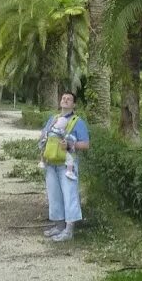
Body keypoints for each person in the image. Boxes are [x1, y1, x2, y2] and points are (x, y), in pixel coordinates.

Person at [38, 90, 90, 243]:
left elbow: (86, 144)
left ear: (74, 104)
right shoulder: (53, 119)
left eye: (69, 99)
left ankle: (69, 231)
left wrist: (70, 144)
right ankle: (59, 226)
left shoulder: (78, 121)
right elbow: (44, 135)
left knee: (70, 196)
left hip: (68, 166)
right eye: (63, 98)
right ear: (60, 102)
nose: (65, 100)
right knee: (54, 196)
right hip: (50, 163)